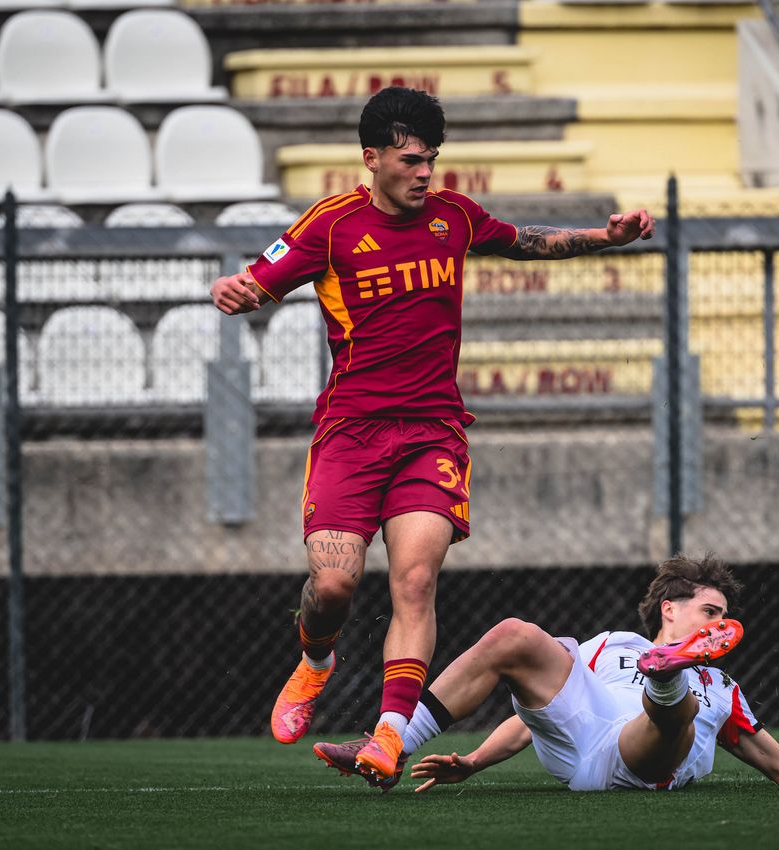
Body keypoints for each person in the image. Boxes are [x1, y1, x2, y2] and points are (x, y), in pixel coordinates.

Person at [209, 86, 656, 783]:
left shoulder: (454, 216)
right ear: (372, 158)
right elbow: (259, 281)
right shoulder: (330, 225)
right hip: (350, 435)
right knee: (332, 587)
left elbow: (527, 243)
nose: (425, 173)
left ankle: (388, 734)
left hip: (432, 434)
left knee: (414, 582)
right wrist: (236, 291)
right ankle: (315, 660)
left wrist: (607, 238)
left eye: (432, 160)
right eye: (412, 160)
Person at [314, 555, 779, 792]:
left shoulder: (723, 689)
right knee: (514, 635)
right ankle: (392, 745)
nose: (719, 619)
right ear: (668, 609)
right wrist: (475, 762)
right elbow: (527, 723)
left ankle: (666, 679)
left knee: (675, 710)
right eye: (710, 610)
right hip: (580, 727)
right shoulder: (608, 643)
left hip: (634, 757)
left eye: (724, 616)